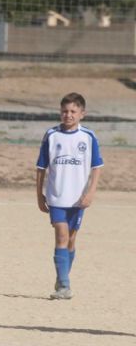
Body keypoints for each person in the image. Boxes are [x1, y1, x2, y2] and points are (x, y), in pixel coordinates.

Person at [36, 92, 103, 300]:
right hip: (57, 197)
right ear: (60, 112)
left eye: (73, 111)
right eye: (65, 111)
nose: (68, 115)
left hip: (78, 199)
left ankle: (62, 276)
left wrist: (90, 193)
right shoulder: (51, 135)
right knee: (62, 235)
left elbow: (97, 167)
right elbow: (41, 167)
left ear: (82, 114)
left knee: (71, 241)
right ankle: (64, 286)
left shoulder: (88, 137)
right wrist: (39, 194)